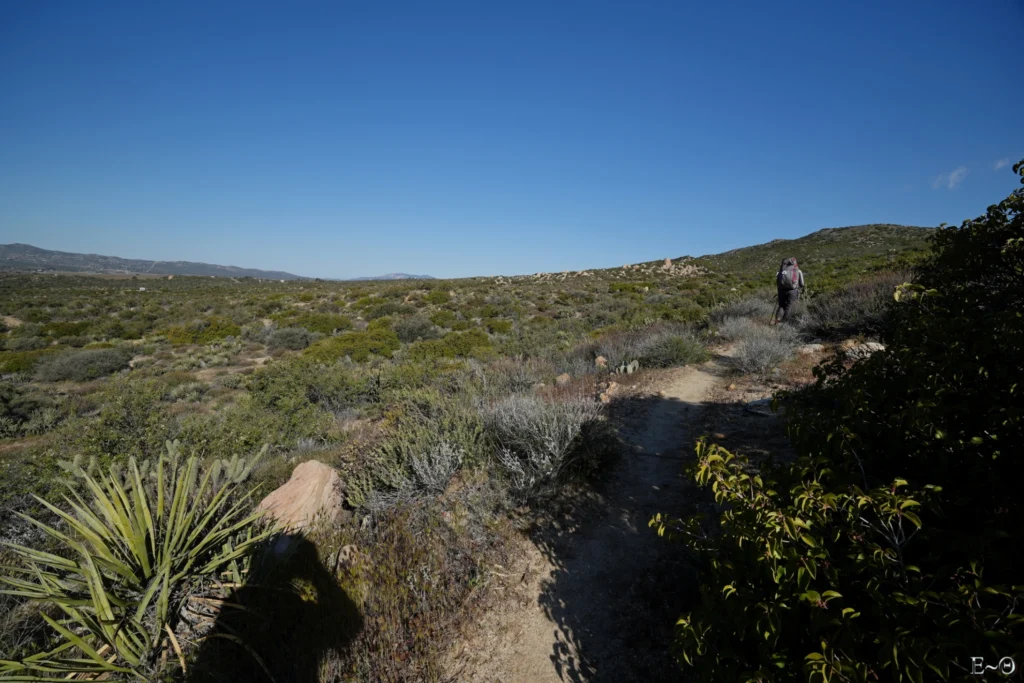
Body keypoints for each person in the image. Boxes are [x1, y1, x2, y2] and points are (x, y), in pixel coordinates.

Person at [776, 257, 805, 324]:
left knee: (781, 306)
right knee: (789, 306)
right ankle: (784, 322)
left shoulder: (781, 271)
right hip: (793, 291)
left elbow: (777, 282)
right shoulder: (798, 270)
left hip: (781, 290)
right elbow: (802, 284)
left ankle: (777, 320)